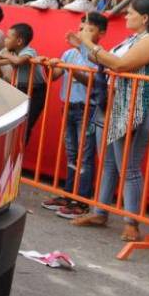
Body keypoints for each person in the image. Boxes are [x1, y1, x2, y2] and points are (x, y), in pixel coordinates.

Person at [69, 0, 149, 242]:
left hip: (137, 109)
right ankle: (100, 212)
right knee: (109, 164)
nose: (126, 16)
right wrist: (82, 46)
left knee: (129, 167)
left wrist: (87, 42)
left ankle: (131, 223)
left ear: (144, 18)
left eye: (130, 12)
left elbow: (120, 65)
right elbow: (107, 61)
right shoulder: (134, 39)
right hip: (119, 107)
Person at [38, 12, 109, 219]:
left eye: (89, 30)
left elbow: (93, 82)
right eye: (81, 29)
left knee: (85, 156)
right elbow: (55, 76)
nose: (82, 33)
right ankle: (68, 194)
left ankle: (82, 201)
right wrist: (48, 65)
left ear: (101, 33)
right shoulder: (69, 53)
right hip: (68, 106)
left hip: (87, 109)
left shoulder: (99, 55)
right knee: (71, 153)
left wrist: (74, 66)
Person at [0, 22, 47, 142]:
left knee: (26, 123)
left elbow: (19, 61)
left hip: (36, 90)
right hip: (20, 88)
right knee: (15, 121)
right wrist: (9, 59)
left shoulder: (29, 51)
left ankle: (21, 147)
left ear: (19, 41)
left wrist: (7, 56)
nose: (5, 40)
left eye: (8, 37)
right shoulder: (8, 50)